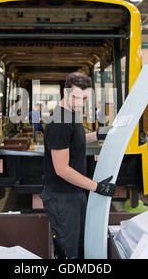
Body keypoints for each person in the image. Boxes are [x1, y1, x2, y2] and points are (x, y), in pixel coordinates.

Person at [41, 72, 116, 259]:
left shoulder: (71, 114)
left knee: (79, 246)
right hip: (62, 199)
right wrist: (97, 187)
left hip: (74, 194)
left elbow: (77, 140)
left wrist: (98, 134)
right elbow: (62, 169)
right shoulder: (60, 121)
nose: (80, 103)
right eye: (75, 97)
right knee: (68, 252)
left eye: (84, 98)